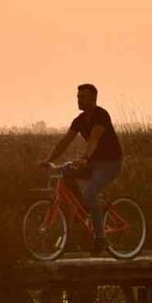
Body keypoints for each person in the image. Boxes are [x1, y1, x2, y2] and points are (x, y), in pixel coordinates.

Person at [38, 83, 124, 256]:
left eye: (83, 97)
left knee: (90, 193)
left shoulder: (101, 115)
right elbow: (64, 142)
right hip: (93, 163)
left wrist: (85, 158)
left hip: (110, 163)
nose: (79, 100)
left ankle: (100, 238)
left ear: (93, 99)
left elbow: (94, 139)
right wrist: (48, 160)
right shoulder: (79, 120)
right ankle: (84, 209)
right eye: (78, 97)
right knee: (66, 173)